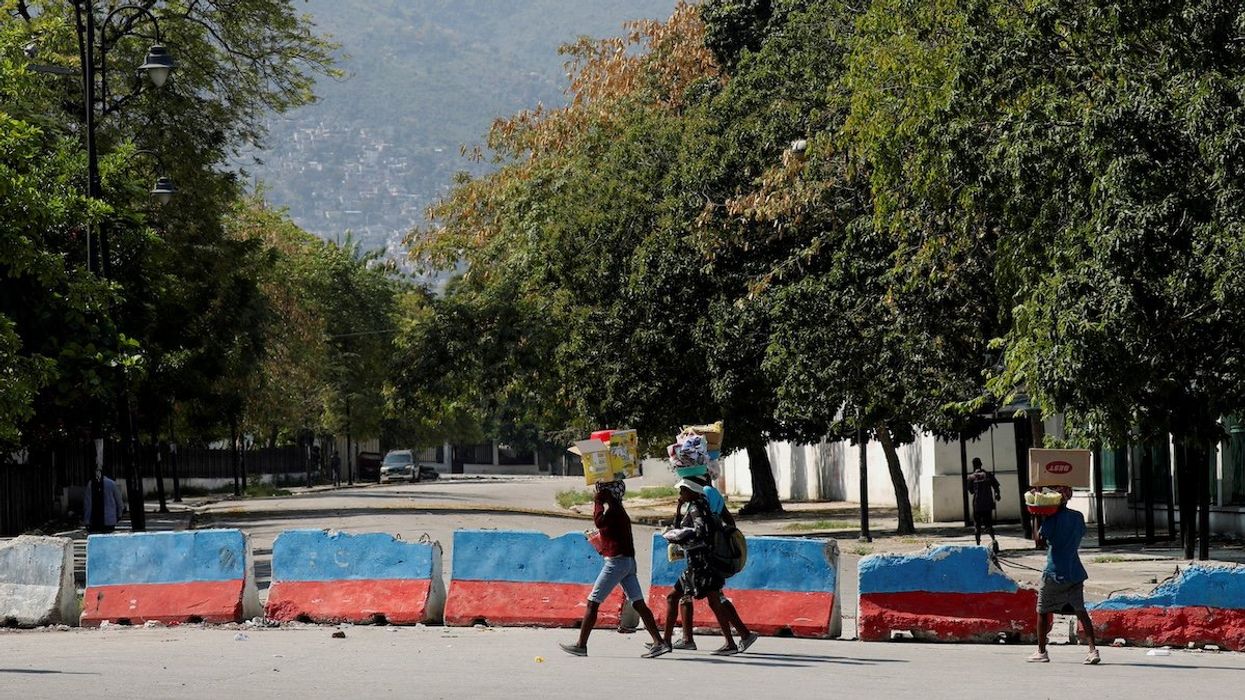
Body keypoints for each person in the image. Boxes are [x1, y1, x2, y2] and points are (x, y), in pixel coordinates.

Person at [559, 480, 670, 658]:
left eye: (603, 491)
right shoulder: (619, 510)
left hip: (616, 563)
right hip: (627, 562)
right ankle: (659, 642)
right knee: (638, 603)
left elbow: (598, 521)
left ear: (609, 494)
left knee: (592, 602)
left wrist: (597, 502)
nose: (599, 493)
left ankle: (581, 645)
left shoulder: (613, 511)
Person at [659, 479, 757, 656]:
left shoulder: (697, 508)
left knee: (681, 598)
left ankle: (668, 642)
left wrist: (680, 537)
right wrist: (679, 511)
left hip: (701, 565)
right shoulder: (702, 504)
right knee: (709, 599)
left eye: (682, 491)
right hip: (704, 563)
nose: (680, 495)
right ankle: (734, 639)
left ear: (691, 491)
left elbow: (700, 531)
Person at [1028, 485, 1100, 665]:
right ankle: (1092, 650)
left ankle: (1041, 651)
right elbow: (1079, 534)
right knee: (1080, 611)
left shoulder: (1051, 520)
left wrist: (1037, 518)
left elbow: (1039, 541)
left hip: (1054, 573)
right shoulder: (1078, 517)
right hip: (1075, 571)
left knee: (1042, 611)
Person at [966, 458, 1002, 547]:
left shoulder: (971, 477)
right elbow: (996, 487)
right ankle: (994, 540)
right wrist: (997, 495)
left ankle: (978, 545)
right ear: (981, 464)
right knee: (988, 524)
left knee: (977, 526)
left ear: (973, 465)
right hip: (987, 504)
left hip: (977, 504)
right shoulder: (988, 475)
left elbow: (971, 491)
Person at [83, 466, 126, 534]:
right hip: (110, 520)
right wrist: (119, 515)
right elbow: (119, 502)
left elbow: (88, 504)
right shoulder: (112, 484)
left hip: (95, 519)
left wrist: (87, 520)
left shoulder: (91, 484)